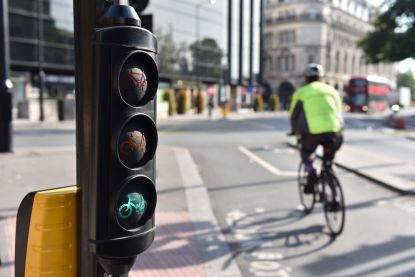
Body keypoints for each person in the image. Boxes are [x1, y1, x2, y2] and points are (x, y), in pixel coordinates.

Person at [289, 63, 344, 193]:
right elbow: (339, 111)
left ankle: (311, 172)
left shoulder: (301, 92)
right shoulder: (331, 90)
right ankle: (335, 197)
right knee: (328, 162)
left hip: (312, 133)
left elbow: (294, 115)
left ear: (306, 78)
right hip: (334, 132)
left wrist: (294, 131)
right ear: (321, 77)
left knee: (306, 153)